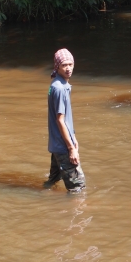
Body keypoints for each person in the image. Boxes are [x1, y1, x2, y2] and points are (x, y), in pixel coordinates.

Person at [44, 49, 86, 192]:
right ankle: (72, 214)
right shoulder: (60, 88)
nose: (68, 68)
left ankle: (45, 202)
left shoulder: (56, 84)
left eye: (71, 64)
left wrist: (74, 137)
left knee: (53, 181)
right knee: (78, 188)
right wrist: (71, 148)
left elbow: (64, 119)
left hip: (57, 143)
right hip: (62, 146)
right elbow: (60, 120)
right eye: (64, 65)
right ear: (57, 67)